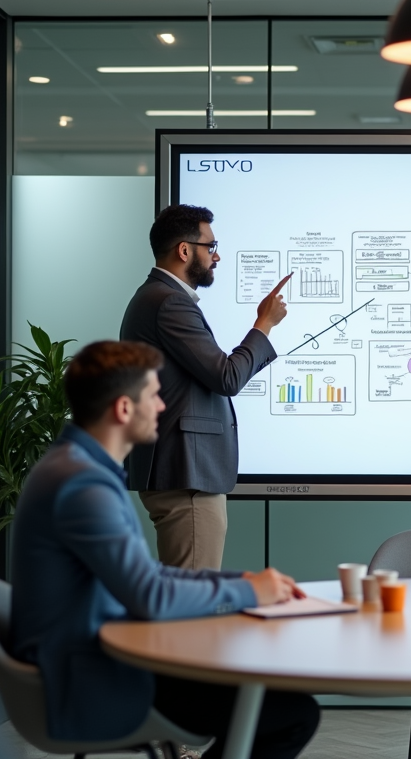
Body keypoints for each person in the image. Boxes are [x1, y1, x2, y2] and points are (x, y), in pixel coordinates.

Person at [10, 341, 319, 759]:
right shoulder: (83, 486)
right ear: (123, 409)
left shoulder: (77, 468)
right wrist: (249, 594)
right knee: (292, 712)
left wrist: (244, 581)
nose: (162, 406)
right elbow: (151, 596)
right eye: (155, 395)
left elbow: (147, 576)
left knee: (272, 699)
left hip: (95, 660)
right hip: (92, 681)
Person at [121, 204, 289, 570]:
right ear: (185, 251)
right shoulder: (169, 304)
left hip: (184, 474)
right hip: (187, 477)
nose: (217, 256)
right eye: (210, 246)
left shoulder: (157, 298)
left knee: (190, 596)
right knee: (193, 603)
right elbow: (226, 377)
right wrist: (264, 324)